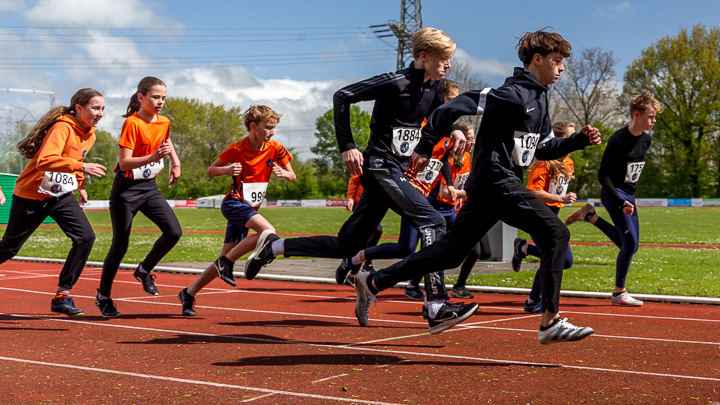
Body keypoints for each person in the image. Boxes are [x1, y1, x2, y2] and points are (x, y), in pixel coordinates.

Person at [352, 29, 601, 344]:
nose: (561, 68)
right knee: (557, 234)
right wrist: (426, 145)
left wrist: (578, 140)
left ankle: (374, 281)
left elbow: (543, 150)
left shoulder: (539, 99)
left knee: (450, 253)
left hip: (491, 187)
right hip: (497, 181)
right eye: (556, 61)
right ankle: (549, 321)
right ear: (537, 60)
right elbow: (451, 108)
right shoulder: (512, 94)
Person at [243, 27, 479, 334]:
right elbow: (342, 97)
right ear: (423, 56)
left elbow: (438, 116)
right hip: (380, 167)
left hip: (397, 169)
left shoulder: (434, 87)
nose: (448, 65)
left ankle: (273, 247)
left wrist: (455, 129)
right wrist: (347, 146)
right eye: (444, 59)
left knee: (348, 244)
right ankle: (436, 306)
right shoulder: (396, 82)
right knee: (433, 223)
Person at [177, 105, 295, 316]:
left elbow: (292, 174)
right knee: (268, 232)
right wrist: (227, 170)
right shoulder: (237, 149)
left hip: (248, 208)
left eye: (274, 127)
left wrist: (284, 174)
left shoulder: (275, 148)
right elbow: (211, 169)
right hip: (233, 203)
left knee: (225, 255)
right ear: (253, 126)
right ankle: (227, 263)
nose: (272, 132)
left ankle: (189, 293)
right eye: (268, 127)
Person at [0, 88, 106, 316]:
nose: (100, 113)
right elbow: (46, 161)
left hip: (59, 194)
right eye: (95, 108)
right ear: (79, 108)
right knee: (8, 249)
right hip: (31, 194)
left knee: (85, 237)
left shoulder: (91, 133)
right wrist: (82, 169)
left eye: (103, 109)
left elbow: (77, 159)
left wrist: (81, 184)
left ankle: (62, 296)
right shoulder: (62, 127)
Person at [564, 91, 662, 307]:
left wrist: (631, 196)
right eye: (651, 116)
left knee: (631, 246)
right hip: (612, 194)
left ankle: (590, 216)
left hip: (628, 195)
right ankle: (619, 293)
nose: (654, 121)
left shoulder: (646, 140)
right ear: (637, 115)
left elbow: (632, 172)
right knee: (629, 243)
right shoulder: (617, 139)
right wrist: (620, 201)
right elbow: (603, 175)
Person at [95, 76, 182, 318]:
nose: (160, 101)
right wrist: (153, 157)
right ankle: (103, 296)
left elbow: (166, 140)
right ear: (141, 97)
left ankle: (144, 270)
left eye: (163, 97)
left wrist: (176, 162)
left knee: (174, 231)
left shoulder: (164, 121)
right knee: (120, 245)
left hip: (149, 187)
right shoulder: (132, 124)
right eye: (155, 97)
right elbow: (124, 162)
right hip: (126, 190)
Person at [511, 121, 577, 313]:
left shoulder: (568, 163)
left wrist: (560, 198)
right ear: (557, 139)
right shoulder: (543, 162)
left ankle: (523, 248)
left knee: (564, 261)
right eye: (570, 137)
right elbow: (533, 191)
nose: (574, 141)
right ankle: (532, 301)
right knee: (556, 258)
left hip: (553, 214)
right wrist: (560, 197)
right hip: (538, 215)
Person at [344, 173, 382, 273]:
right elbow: (354, 180)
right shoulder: (369, 162)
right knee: (373, 230)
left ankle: (360, 265)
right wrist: (350, 198)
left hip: (375, 201)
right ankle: (359, 266)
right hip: (360, 201)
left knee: (372, 232)